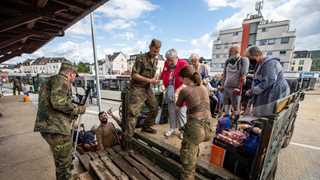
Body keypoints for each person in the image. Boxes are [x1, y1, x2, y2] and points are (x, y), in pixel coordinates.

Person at [34, 62, 86, 180]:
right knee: (64, 161)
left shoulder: (49, 81)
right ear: (69, 73)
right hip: (57, 128)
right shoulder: (62, 80)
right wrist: (77, 109)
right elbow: (58, 102)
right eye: (74, 75)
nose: (74, 78)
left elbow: (52, 103)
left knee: (60, 158)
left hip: (48, 125)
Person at [176, 66, 214, 180]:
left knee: (187, 160)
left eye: (181, 79)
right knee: (193, 148)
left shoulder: (185, 90)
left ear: (186, 78)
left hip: (196, 128)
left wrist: (177, 95)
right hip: (209, 127)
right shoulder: (204, 87)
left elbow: (177, 108)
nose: (181, 82)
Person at [124, 39, 161, 149]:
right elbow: (134, 75)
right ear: (150, 47)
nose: (155, 54)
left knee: (155, 108)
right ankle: (127, 141)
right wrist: (150, 81)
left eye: (157, 52)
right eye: (154, 51)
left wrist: (154, 81)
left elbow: (151, 76)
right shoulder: (141, 58)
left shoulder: (156, 60)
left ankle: (146, 126)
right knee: (133, 114)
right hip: (137, 88)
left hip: (147, 88)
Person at [245, 46, 290, 117]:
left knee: (267, 113)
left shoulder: (270, 64)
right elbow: (258, 77)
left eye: (250, 58)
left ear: (257, 55)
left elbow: (268, 81)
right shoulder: (260, 64)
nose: (249, 60)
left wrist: (252, 91)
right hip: (269, 91)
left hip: (275, 92)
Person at [160, 49, 188, 137]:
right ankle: (172, 128)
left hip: (181, 91)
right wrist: (162, 84)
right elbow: (163, 75)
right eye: (167, 60)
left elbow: (187, 80)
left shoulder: (183, 64)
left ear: (176, 57)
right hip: (170, 90)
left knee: (181, 112)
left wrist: (179, 90)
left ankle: (183, 131)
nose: (169, 62)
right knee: (171, 111)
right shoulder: (166, 63)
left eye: (171, 60)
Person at [222, 46, 249, 127]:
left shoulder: (244, 60)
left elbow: (243, 76)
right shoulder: (227, 61)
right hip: (227, 87)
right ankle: (226, 124)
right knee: (226, 106)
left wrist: (239, 87)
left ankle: (235, 124)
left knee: (236, 108)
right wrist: (223, 85)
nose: (229, 53)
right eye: (230, 52)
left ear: (237, 52)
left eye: (231, 52)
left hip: (236, 89)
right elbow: (224, 74)